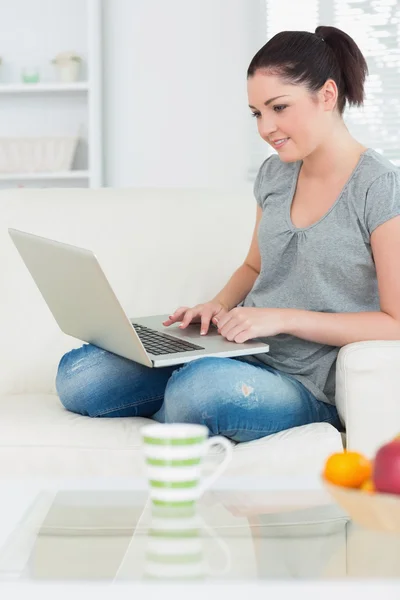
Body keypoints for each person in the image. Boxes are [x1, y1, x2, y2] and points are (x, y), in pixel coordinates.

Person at [56, 25, 400, 442]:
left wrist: (283, 319)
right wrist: (216, 306)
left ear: (327, 95)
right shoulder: (275, 174)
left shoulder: (380, 188)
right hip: (241, 350)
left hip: (306, 382)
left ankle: (188, 398)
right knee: (80, 375)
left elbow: (394, 322)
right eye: (258, 113)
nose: (266, 128)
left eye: (279, 107)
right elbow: (255, 265)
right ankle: (189, 397)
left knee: (200, 391)